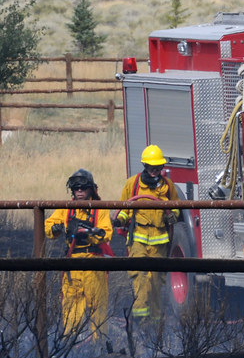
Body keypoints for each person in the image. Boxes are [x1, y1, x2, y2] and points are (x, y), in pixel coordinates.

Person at [114, 144, 180, 328]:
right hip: (138, 239)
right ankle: (140, 322)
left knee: (156, 282)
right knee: (140, 279)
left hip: (160, 240)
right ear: (145, 165)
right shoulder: (133, 184)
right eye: (152, 167)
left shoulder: (167, 186)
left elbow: (176, 206)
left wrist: (173, 214)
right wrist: (120, 219)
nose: (155, 170)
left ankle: (157, 324)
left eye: (158, 167)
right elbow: (124, 208)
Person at [44, 168, 113, 340]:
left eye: (83, 188)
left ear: (91, 189)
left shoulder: (99, 208)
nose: (79, 191)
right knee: (70, 308)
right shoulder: (66, 209)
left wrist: (90, 233)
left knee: (98, 308)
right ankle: (69, 346)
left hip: (93, 264)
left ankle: (100, 346)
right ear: (72, 190)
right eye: (76, 188)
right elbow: (48, 226)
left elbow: (106, 232)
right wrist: (54, 228)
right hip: (72, 264)